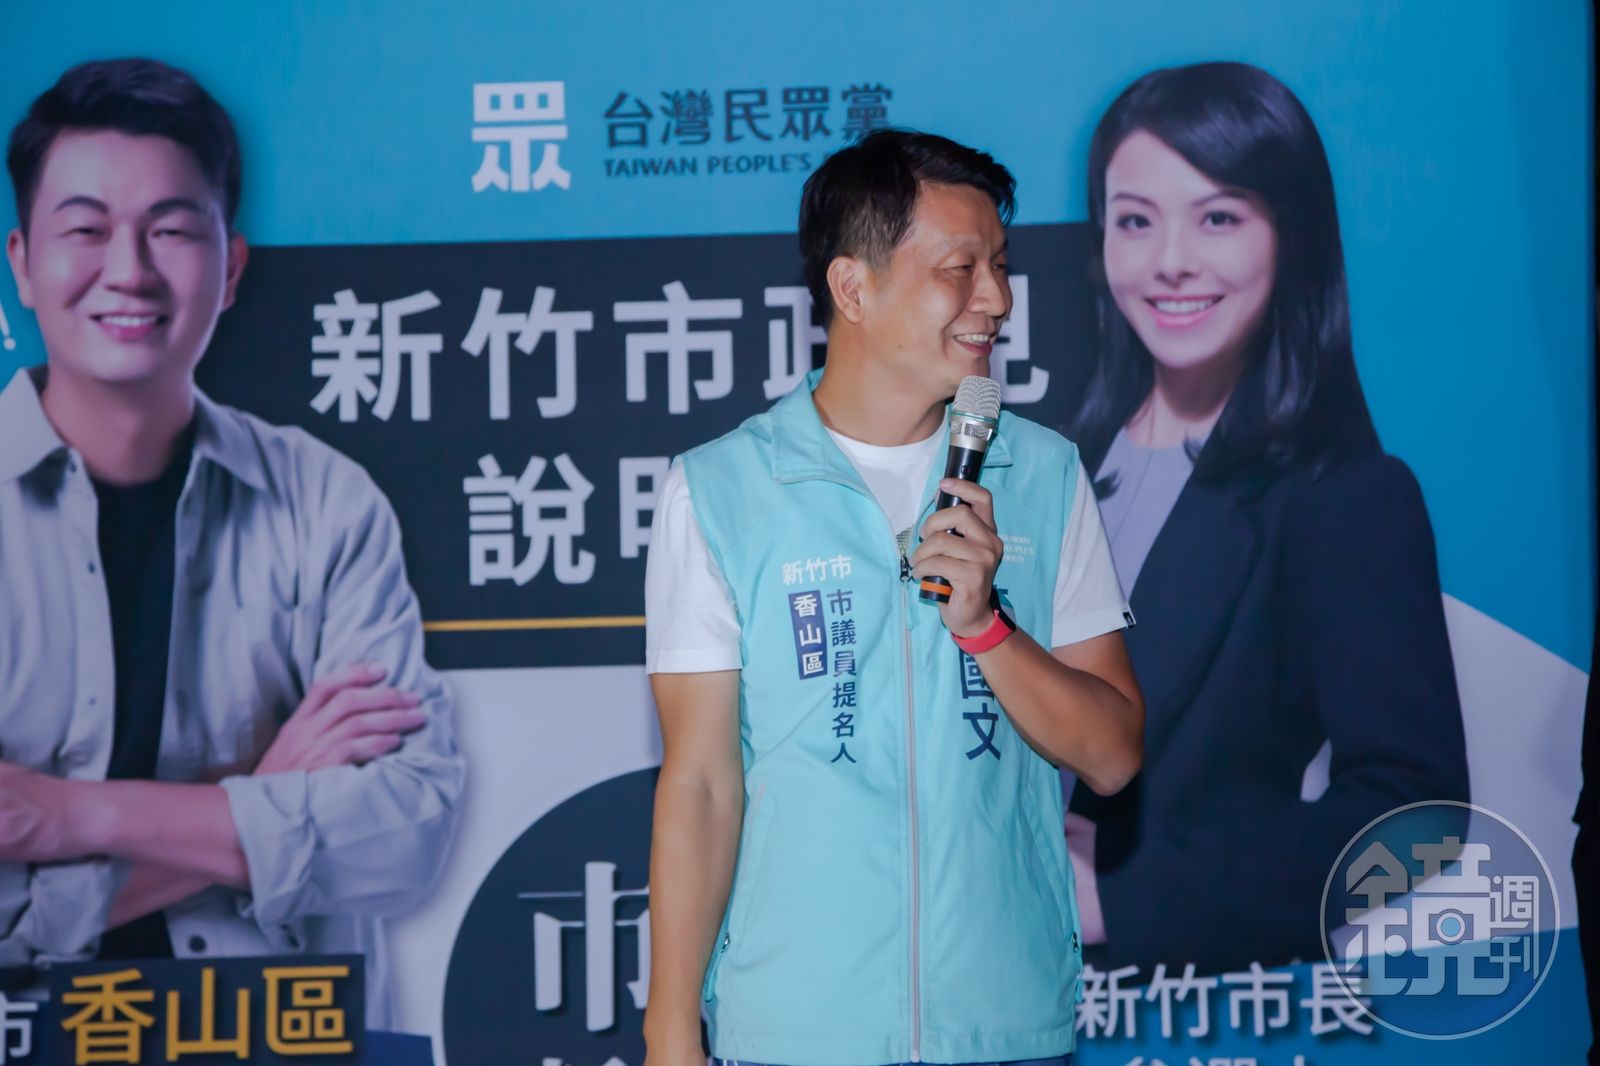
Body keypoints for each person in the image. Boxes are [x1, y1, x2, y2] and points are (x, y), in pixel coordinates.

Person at [642, 129, 1143, 1066]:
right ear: (852, 288)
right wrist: (671, 1034)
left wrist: (988, 629)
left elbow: (1113, 757)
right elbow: (702, 784)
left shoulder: (1043, 475)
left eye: (1001, 266)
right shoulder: (718, 492)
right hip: (795, 1035)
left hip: (1005, 1028)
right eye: (960, 270)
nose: (996, 300)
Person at [0, 59, 463, 1025]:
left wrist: (69, 815)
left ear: (233, 267)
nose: (129, 270)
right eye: (85, 230)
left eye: (171, 230)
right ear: (22, 263)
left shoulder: (325, 501)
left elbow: (407, 828)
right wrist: (269, 796)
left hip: (278, 1037)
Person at [1064, 61, 1470, 975]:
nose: (1170, 260)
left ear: (1291, 235)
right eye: (1136, 221)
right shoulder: (1049, 464)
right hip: (979, 1001)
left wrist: (1122, 898)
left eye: (1219, 217)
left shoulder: (1342, 497)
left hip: (1187, 1006)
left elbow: (1418, 819)